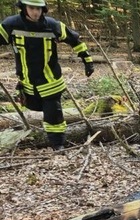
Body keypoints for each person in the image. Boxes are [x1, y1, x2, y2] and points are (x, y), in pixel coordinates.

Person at [0, 0, 94, 150]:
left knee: (53, 113)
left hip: (51, 80)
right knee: (34, 106)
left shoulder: (53, 25)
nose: (35, 12)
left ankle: (58, 145)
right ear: (24, 8)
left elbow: (75, 41)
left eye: (38, 8)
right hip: (27, 82)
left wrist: (87, 61)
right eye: (32, 8)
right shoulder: (11, 25)